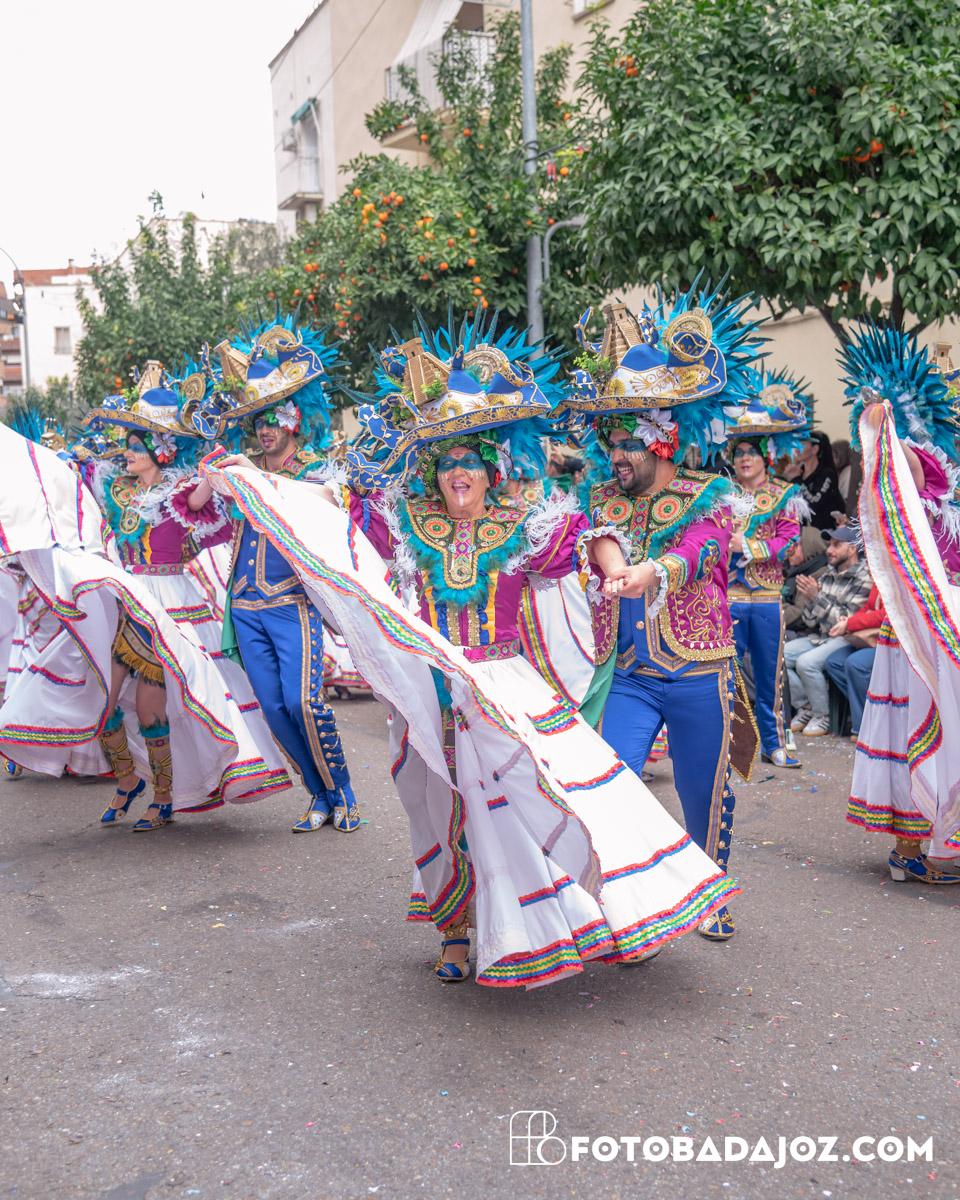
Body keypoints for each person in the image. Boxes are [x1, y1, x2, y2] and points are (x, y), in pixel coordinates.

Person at [202, 311, 741, 987]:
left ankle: (567, 917)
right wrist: (252, 481)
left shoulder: (521, 527)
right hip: (429, 690)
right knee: (434, 807)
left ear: (491, 472)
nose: (457, 472)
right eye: (446, 464)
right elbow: (334, 521)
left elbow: (588, 536)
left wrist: (620, 571)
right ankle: (454, 932)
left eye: (469, 463)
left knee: (528, 804)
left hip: (502, 687)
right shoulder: (410, 524)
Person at [0, 368, 292, 827]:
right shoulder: (114, 491)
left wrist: (217, 468)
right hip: (126, 602)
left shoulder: (180, 494)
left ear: (161, 450)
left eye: (136, 445)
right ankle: (127, 779)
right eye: (128, 444)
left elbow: (199, 501)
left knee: (152, 707)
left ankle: (163, 795)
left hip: (170, 609)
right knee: (102, 702)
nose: (127, 452)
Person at [565, 289, 764, 942]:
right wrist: (613, 562)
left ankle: (709, 893)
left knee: (703, 792)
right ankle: (632, 901)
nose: (616, 456)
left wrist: (653, 571)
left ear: (661, 440)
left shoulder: (709, 492)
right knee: (611, 786)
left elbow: (701, 548)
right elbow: (597, 537)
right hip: (630, 675)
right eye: (611, 443)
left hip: (698, 672)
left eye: (628, 444)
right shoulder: (602, 496)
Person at [187, 318, 360, 834]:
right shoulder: (242, 471)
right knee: (273, 709)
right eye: (258, 419)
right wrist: (218, 473)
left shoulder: (310, 469)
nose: (265, 429)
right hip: (245, 605)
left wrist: (256, 477)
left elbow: (334, 499)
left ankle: (343, 791)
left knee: (304, 702)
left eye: (275, 417)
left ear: (296, 420)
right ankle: (318, 796)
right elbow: (195, 510)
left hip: (292, 603)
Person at [842, 325, 960, 884]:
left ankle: (937, 844)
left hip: (948, 624)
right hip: (919, 630)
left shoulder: (946, 491)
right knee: (920, 724)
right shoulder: (913, 489)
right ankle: (913, 849)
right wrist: (885, 416)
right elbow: (896, 474)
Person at [724, 368, 813, 768]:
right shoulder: (721, 496)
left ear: (766, 457)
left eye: (752, 452)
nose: (745, 458)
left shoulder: (784, 495)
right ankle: (729, 746)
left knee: (769, 676)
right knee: (724, 674)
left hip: (766, 598)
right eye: (739, 452)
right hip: (729, 596)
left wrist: (749, 546)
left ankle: (773, 744)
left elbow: (789, 543)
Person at [785, 527, 871, 737]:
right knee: (779, 656)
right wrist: (809, 600)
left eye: (836, 545)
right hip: (821, 636)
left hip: (847, 638)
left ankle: (823, 715)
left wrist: (817, 598)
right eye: (830, 545)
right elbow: (810, 622)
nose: (829, 550)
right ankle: (806, 706)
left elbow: (847, 619)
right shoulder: (828, 575)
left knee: (806, 663)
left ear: (852, 549)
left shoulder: (864, 577)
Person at [823, 583, 886, 739]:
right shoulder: (880, 576)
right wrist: (851, 620)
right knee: (834, 662)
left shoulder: (900, 576)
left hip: (889, 641)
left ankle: (864, 728)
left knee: (855, 664)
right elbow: (869, 608)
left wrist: (850, 624)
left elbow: (886, 614)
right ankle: (871, 711)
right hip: (872, 638)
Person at [784, 430, 845, 530]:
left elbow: (813, 503)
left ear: (814, 449)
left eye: (802, 446)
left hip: (821, 533)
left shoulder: (827, 474)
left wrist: (796, 480)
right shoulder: (799, 472)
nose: (797, 450)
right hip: (799, 531)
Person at [781, 525, 829, 631]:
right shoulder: (794, 571)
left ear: (809, 548)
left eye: (795, 546)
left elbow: (798, 613)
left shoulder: (817, 574)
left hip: (801, 632)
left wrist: (768, 617)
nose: (788, 550)